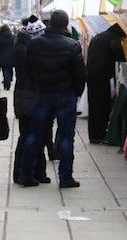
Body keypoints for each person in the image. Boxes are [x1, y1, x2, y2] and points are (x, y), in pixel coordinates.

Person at [19, 10, 86, 188]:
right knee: (65, 137)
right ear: (65, 25)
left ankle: (25, 174)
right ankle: (65, 177)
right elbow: (80, 74)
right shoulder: (72, 45)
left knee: (35, 134)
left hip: (43, 94)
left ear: (49, 24)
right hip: (65, 95)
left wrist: (37, 86)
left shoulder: (34, 43)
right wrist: (76, 93)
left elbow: (28, 69)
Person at [12, 18, 51, 184]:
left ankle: (38, 172)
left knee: (38, 135)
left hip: (29, 95)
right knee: (28, 136)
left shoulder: (25, 47)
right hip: (28, 97)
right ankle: (22, 173)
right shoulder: (25, 50)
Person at [86, 23, 127, 144]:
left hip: (91, 75)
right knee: (102, 105)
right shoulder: (113, 38)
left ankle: (93, 135)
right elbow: (120, 56)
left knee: (93, 105)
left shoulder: (99, 37)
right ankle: (101, 134)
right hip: (101, 76)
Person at [0, 25, 15, 90]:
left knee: (5, 70)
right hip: (11, 55)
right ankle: (9, 80)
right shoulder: (12, 37)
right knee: (10, 69)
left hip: (2, 55)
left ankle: (6, 84)